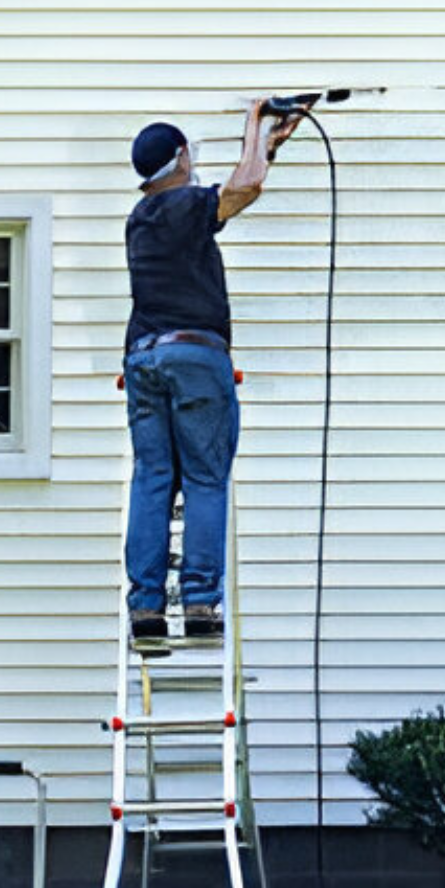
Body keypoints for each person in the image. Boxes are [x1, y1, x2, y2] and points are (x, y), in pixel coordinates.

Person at [121, 104, 295, 649]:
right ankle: (199, 601)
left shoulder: (141, 218)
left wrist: (269, 144)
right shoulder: (184, 205)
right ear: (180, 160)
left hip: (143, 358)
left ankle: (147, 609)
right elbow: (246, 190)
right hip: (194, 357)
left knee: (152, 478)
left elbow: (241, 184)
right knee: (203, 477)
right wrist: (254, 122)